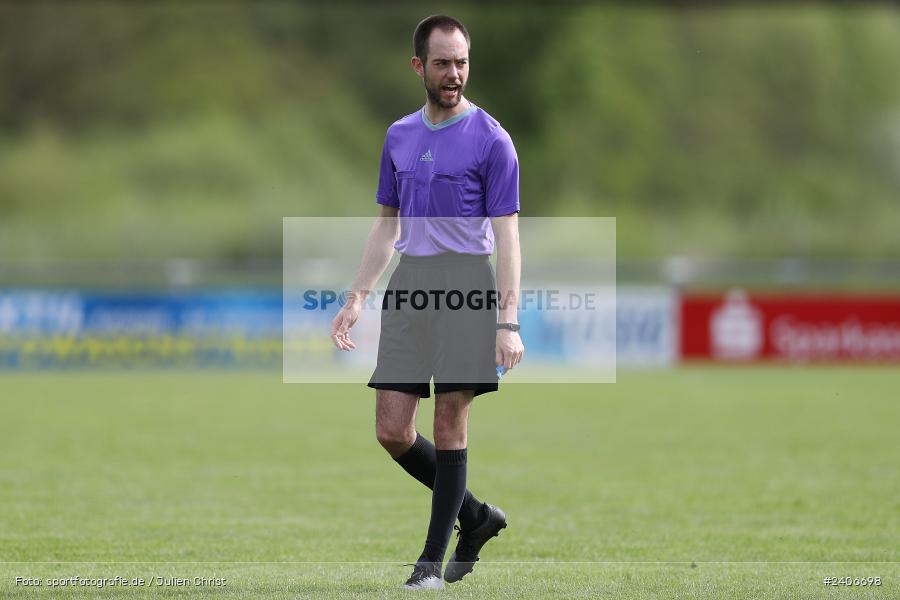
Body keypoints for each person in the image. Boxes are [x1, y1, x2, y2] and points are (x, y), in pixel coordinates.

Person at [330, 14, 524, 590]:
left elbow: (508, 236)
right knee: (391, 428)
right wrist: (357, 296)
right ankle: (476, 515)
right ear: (419, 66)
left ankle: (429, 566)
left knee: (448, 420)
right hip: (410, 285)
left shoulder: (492, 138)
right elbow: (386, 226)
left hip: (467, 283)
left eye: (462, 62)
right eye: (442, 62)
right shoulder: (398, 136)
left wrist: (507, 321)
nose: (454, 73)